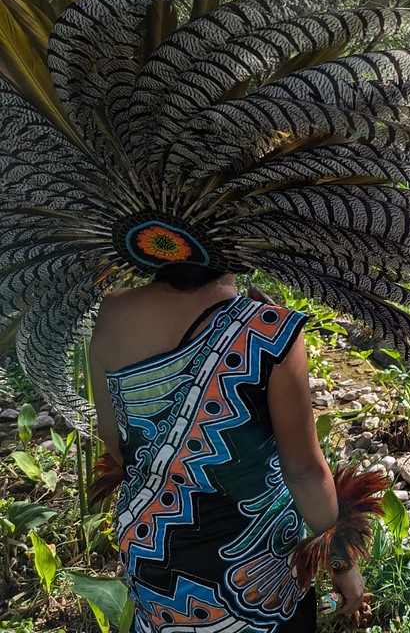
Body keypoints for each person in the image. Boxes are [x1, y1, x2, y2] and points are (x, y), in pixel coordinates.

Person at [88, 263, 387, 632]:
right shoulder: (269, 329)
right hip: (256, 572)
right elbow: (304, 471)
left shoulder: (112, 312)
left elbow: (111, 436)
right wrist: (343, 565)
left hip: (151, 550)